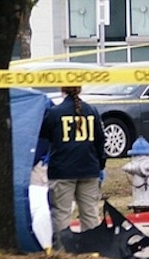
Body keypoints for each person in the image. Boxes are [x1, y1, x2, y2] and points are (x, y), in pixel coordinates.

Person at [39, 86, 106, 250]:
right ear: (80, 90)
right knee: (90, 214)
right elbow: (100, 141)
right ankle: (91, 252)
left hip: (62, 171)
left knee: (61, 214)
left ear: (62, 90)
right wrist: (99, 164)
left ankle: (63, 253)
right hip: (89, 169)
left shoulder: (55, 113)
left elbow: (44, 135)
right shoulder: (91, 111)